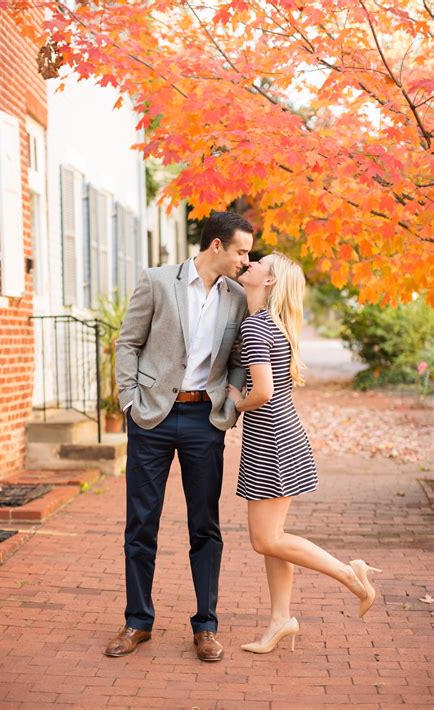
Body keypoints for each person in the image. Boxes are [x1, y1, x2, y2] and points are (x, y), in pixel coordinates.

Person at [105, 211, 253, 661]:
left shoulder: (238, 297)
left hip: (202, 421)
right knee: (141, 523)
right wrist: (129, 401)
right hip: (150, 418)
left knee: (205, 526)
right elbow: (127, 343)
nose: (246, 260)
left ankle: (205, 627)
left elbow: (239, 357)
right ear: (216, 247)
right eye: (241, 251)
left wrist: (225, 410)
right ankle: (138, 621)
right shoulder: (156, 281)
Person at [226, 252, 382, 654]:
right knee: (274, 539)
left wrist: (234, 402)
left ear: (271, 281)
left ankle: (350, 575)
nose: (252, 264)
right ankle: (281, 620)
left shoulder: (257, 327)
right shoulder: (271, 323)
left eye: (260, 263)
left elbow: (262, 392)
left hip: (271, 443)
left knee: (265, 540)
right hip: (280, 437)